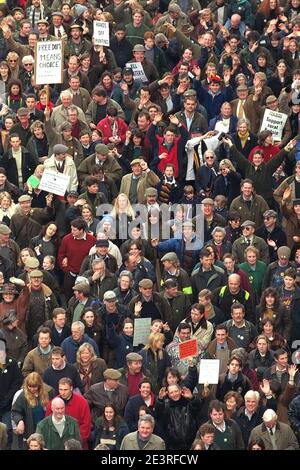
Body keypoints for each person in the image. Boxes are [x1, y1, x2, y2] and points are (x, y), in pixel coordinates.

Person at [11, 372, 55, 448]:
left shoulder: (49, 392)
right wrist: (20, 421)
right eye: (29, 386)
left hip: (47, 430)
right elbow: (16, 411)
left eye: (35, 387)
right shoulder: (23, 395)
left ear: (40, 385)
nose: (32, 389)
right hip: (30, 431)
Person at [46, 377, 91, 450]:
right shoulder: (53, 403)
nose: (62, 392)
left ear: (71, 388)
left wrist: (77, 443)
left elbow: (86, 425)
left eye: (65, 389)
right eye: (60, 389)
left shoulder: (82, 402)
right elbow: (48, 423)